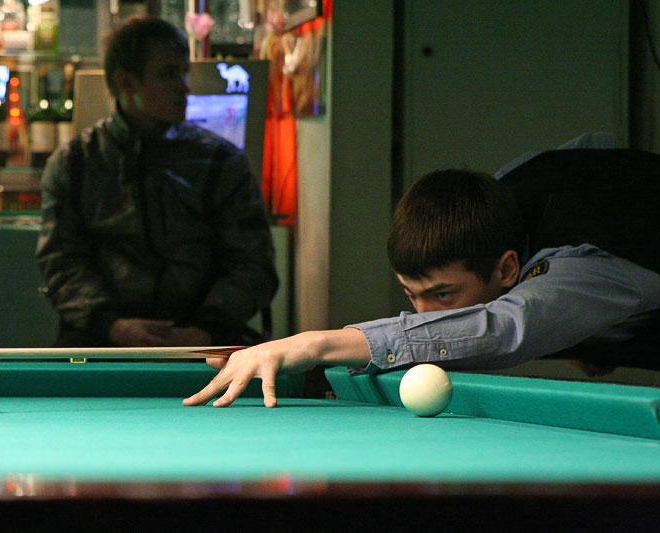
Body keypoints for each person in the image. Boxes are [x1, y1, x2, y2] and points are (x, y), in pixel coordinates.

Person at [184, 138, 660, 408]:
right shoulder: (507, 197)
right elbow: (596, 148)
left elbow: (505, 327)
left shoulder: (592, 265)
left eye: (444, 295)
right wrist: (587, 333)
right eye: (413, 295)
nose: (426, 315)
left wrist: (313, 344)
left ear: (508, 268)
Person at [36, 16, 278, 348]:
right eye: (168, 74)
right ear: (126, 82)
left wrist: (205, 329)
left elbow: (254, 264)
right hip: (101, 341)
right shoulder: (74, 164)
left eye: (184, 72)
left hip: (204, 339)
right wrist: (113, 326)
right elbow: (61, 263)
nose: (184, 87)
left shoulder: (221, 162)